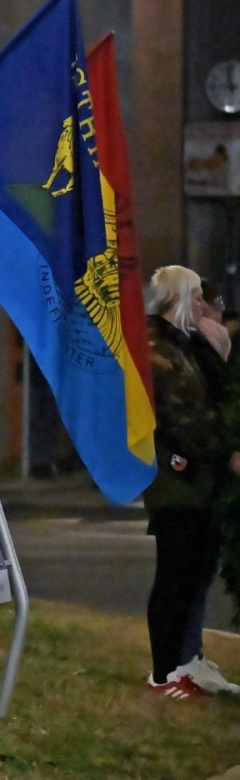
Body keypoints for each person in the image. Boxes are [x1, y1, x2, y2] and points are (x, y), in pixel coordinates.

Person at [141, 266, 240, 699]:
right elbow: (183, 419)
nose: (204, 305)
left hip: (198, 478)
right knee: (174, 576)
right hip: (176, 478)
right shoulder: (156, 349)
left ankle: (183, 663)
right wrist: (223, 449)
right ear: (178, 297)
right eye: (198, 296)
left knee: (192, 573)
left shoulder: (183, 344)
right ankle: (163, 673)